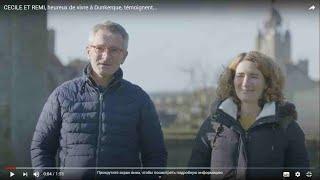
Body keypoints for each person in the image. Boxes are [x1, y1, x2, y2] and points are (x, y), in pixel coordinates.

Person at [31, 21, 167, 179]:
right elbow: (41, 148)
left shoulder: (139, 99)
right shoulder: (62, 95)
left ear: (124, 56)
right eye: (99, 48)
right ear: (88, 51)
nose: (106, 56)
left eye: (114, 50)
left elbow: (156, 154)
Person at [188, 51, 309, 179]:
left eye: (254, 76)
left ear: (267, 83)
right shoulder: (214, 124)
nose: (245, 83)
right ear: (232, 81)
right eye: (240, 76)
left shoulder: (287, 127)